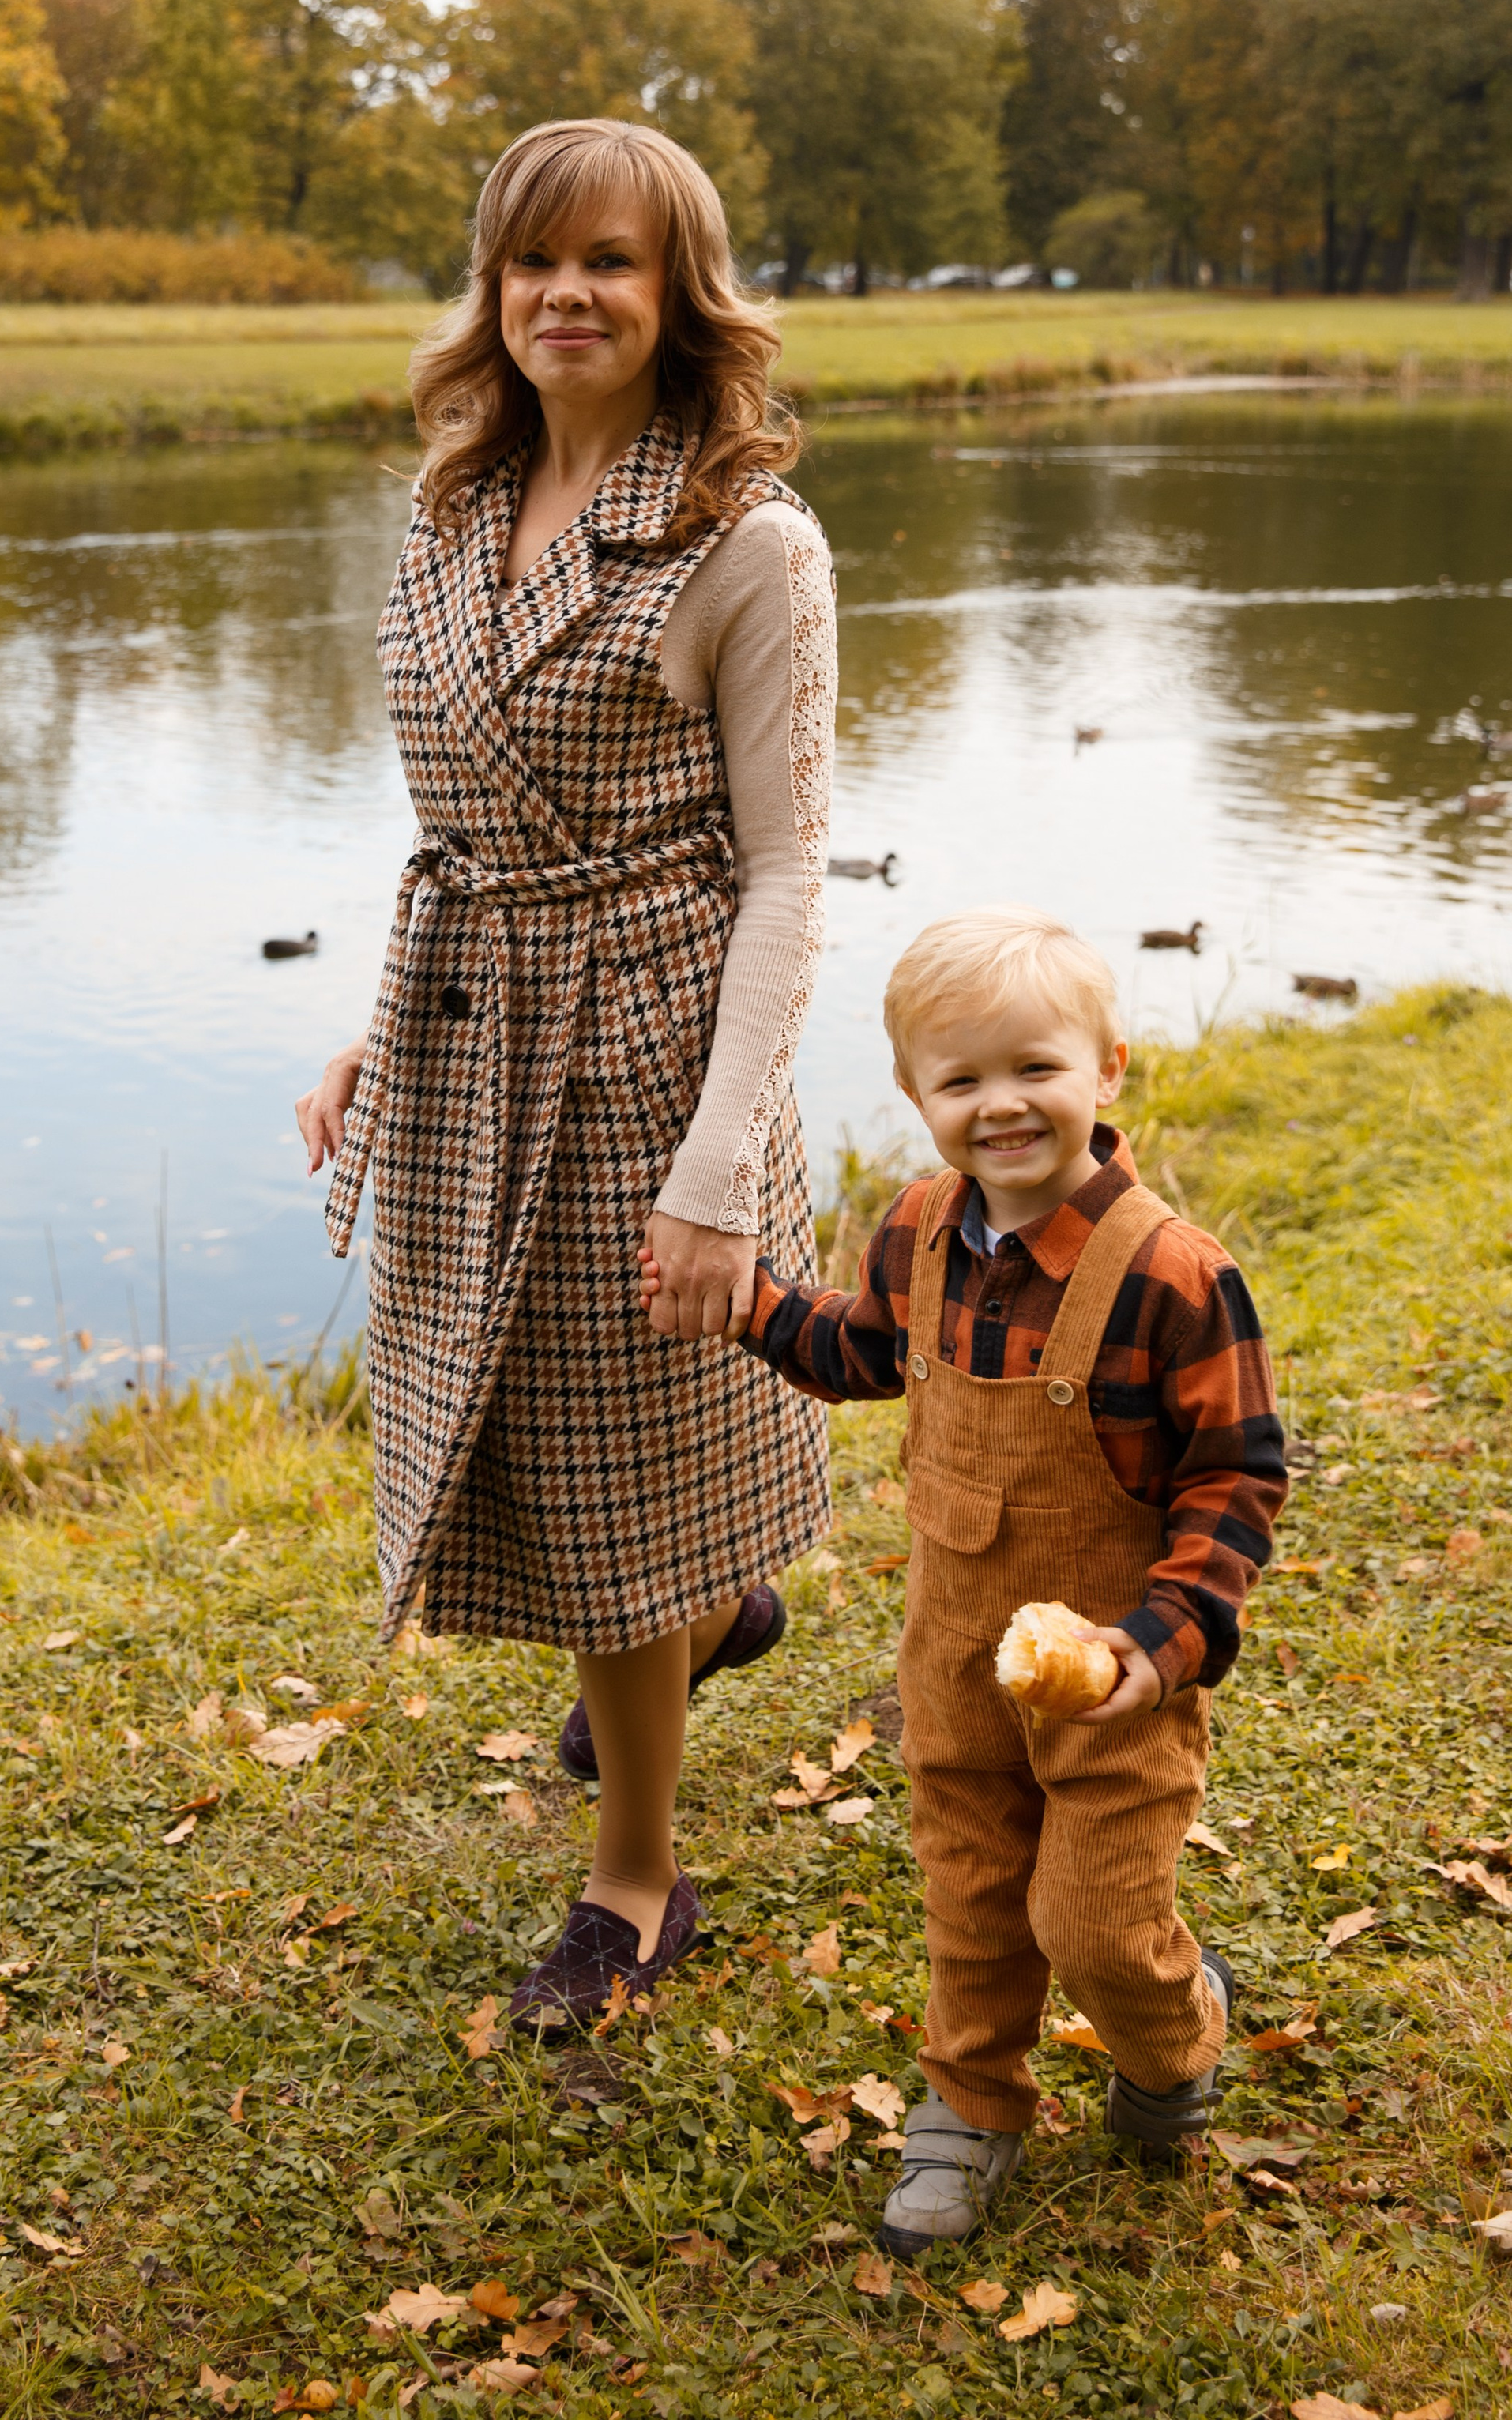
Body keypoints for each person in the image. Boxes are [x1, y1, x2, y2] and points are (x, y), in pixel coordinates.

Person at [296, 118, 837, 2029]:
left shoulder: (744, 540)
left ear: (679, 293)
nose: (564, 296)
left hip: (649, 1047)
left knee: (622, 1471)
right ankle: (721, 1610)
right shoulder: (450, 506)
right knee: (548, 1442)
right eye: (532, 261)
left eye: (608, 261)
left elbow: (785, 873)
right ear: (490, 289)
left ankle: (634, 1881)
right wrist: (384, 1029)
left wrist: (712, 1166)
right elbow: (467, 822)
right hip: (470, 1024)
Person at [664, 905, 1286, 2249]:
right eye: (963, 1081)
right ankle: (971, 2106)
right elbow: (865, 1353)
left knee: (1094, 1922)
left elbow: (1236, 1480)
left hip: (1113, 1675)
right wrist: (754, 1305)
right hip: (955, 1658)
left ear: (1107, 1068)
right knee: (972, 1883)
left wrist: (1159, 1643)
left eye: (1036, 1070)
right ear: (915, 1095)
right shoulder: (921, 1232)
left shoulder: (1175, 1276)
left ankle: (1174, 2028)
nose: (1002, 1106)